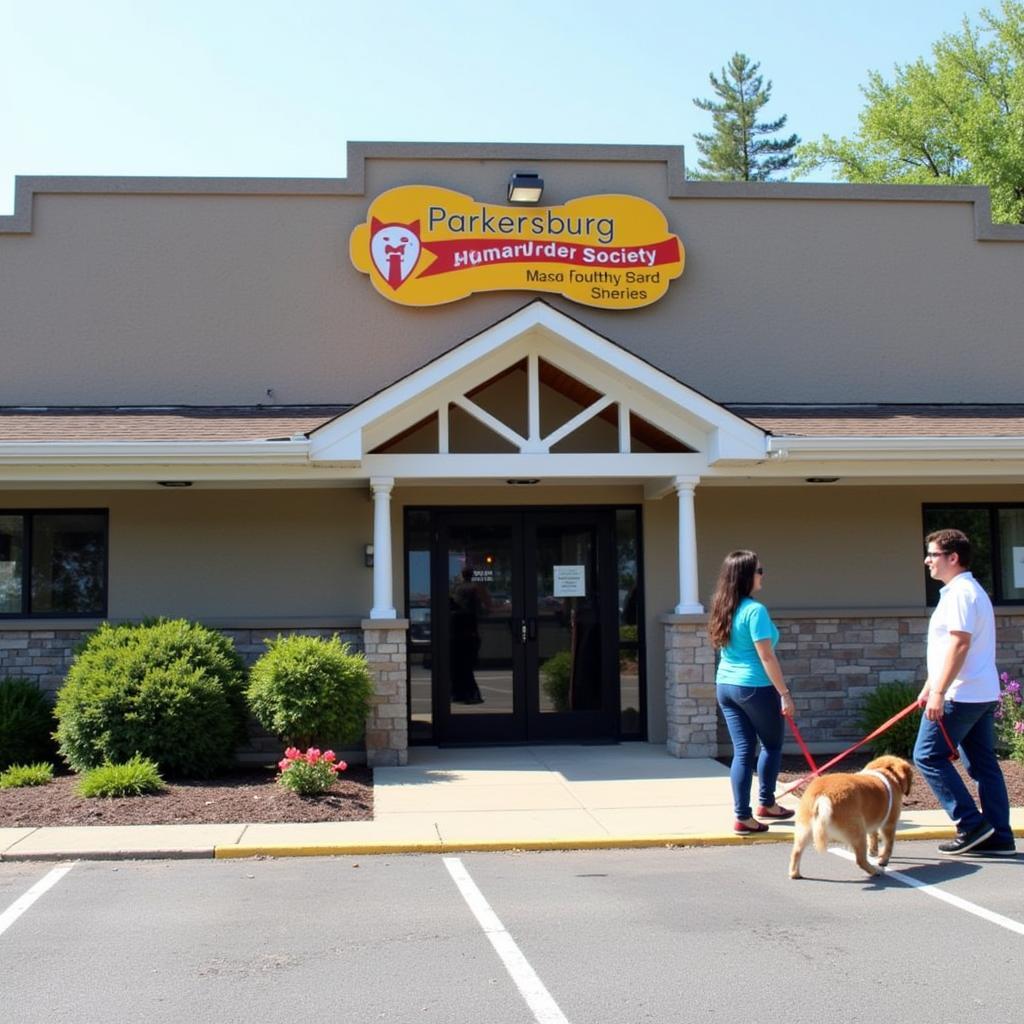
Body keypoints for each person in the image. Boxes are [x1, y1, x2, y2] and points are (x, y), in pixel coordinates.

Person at [913, 529, 1015, 855]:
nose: (927, 560)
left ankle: (971, 824)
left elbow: (959, 643)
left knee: (927, 756)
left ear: (953, 558)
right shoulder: (967, 591)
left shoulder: (960, 593)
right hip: (979, 692)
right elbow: (951, 648)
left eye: (933, 554)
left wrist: (940, 692)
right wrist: (931, 685)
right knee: (984, 765)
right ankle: (999, 837)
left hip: (961, 694)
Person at [708, 549, 797, 835]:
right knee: (771, 745)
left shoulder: (724, 607)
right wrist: (784, 693)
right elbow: (766, 656)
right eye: (759, 571)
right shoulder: (755, 611)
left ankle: (742, 816)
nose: (763, 575)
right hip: (754, 687)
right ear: (747, 576)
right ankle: (766, 803)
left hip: (726, 687)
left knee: (743, 751)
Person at [449, 565, 491, 704]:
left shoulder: (458, 590)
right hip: (470, 633)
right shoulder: (475, 589)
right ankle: (470, 694)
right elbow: (483, 609)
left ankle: (462, 693)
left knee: (459, 666)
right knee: (466, 666)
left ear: (462, 575)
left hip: (458, 634)